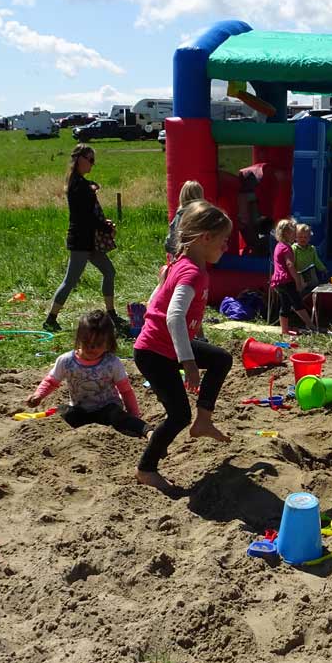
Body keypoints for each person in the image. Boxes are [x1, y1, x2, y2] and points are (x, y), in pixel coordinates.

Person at [133, 200, 234, 490]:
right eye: (224, 241)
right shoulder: (190, 272)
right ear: (206, 238)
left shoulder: (184, 265)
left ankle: (203, 421)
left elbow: (156, 300)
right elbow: (173, 316)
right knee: (178, 415)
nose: (226, 247)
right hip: (154, 353)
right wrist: (188, 362)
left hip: (167, 346)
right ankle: (146, 469)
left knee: (221, 359)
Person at [44, 144, 125, 334]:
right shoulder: (79, 186)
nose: (92, 164)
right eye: (90, 159)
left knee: (109, 272)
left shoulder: (79, 183)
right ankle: (50, 319)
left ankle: (111, 313)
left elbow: (90, 209)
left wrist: (93, 189)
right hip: (81, 241)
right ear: (79, 159)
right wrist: (106, 226)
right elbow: (88, 216)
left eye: (93, 160)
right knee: (70, 281)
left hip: (90, 241)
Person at [25, 310, 146, 437]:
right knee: (64, 412)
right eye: (87, 342)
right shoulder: (66, 361)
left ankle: (140, 428)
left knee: (115, 413)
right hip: (80, 410)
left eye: (98, 344)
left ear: (108, 343)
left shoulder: (112, 363)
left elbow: (126, 391)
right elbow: (51, 381)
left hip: (106, 409)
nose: (92, 348)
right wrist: (38, 395)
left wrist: (133, 415)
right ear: (78, 339)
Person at [270, 218, 312, 334]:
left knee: (285, 305)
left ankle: (284, 330)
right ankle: (311, 326)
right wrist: (298, 281)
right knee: (297, 303)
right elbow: (290, 264)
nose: (296, 235)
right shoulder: (286, 247)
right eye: (294, 232)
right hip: (286, 280)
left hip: (278, 281)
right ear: (288, 233)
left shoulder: (278, 246)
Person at [164, 180, 204, 258]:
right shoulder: (202, 215)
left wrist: (170, 248)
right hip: (196, 255)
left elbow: (171, 239)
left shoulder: (180, 214)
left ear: (182, 195)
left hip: (179, 255)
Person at [293, 223, 326, 288]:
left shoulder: (312, 248)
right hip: (299, 274)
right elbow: (292, 262)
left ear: (309, 238)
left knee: (314, 287)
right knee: (300, 290)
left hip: (310, 273)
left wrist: (323, 269)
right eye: (300, 237)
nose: (303, 239)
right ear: (295, 238)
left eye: (305, 237)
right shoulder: (294, 248)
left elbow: (316, 261)